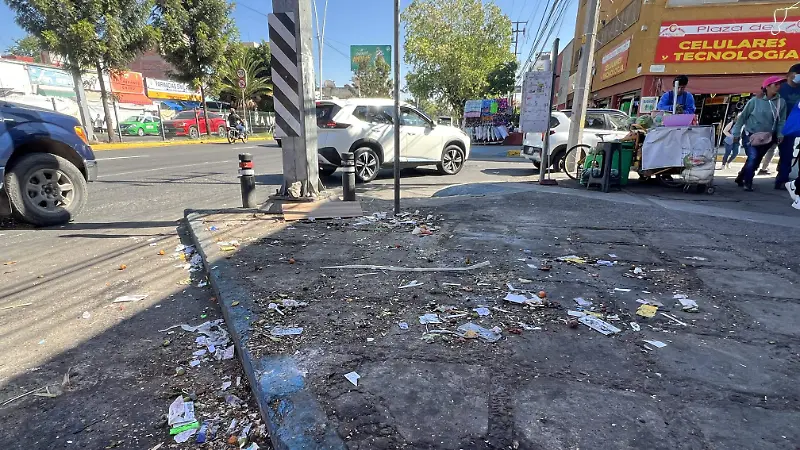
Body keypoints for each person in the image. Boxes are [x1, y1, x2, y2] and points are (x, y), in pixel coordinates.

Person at [732, 76, 787, 191]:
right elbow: (742, 118)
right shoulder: (754, 101)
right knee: (753, 157)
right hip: (750, 135)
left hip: (767, 137)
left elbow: (781, 120)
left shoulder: (781, 102)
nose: (778, 86)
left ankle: (741, 177)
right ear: (767, 86)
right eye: (775, 84)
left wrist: (780, 134)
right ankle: (748, 182)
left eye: (779, 84)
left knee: (755, 160)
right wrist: (736, 133)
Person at [777, 63, 800, 189]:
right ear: (791, 75)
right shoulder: (779, 88)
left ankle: (785, 180)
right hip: (779, 125)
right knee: (786, 154)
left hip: (795, 125)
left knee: (788, 155)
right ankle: (744, 176)